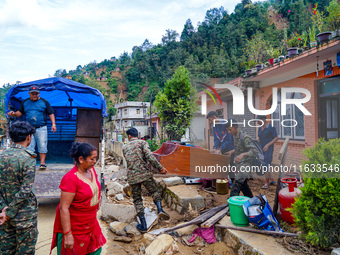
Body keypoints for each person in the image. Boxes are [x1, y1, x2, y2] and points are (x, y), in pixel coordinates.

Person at [50, 142, 106, 255]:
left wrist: (97, 199)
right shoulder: (71, 179)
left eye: (96, 158)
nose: (95, 162)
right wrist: (68, 234)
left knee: (95, 250)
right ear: (81, 159)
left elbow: (94, 188)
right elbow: (64, 208)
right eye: (92, 159)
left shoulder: (91, 170)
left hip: (90, 223)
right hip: (75, 227)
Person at [0, 121, 38, 254]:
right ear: (29, 137)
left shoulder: (1, 156)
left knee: (5, 251)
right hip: (24, 217)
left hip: (3, 216)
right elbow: (25, 191)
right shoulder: (28, 158)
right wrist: (10, 212)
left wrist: (4, 209)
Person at [123, 127, 169, 233]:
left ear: (129, 136)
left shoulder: (125, 147)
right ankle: (160, 210)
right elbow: (150, 157)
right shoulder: (142, 143)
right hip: (144, 174)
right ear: (137, 135)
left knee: (137, 199)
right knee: (154, 191)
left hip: (133, 177)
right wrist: (160, 168)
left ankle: (143, 225)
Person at [7, 85, 57, 170]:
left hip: (41, 127)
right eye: (33, 93)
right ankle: (31, 164)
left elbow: (51, 113)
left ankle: (42, 163)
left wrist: (53, 124)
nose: (35, 95)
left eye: (36, 93)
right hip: (29, 129)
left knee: (42, 145)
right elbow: (20, 112)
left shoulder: (44, 102)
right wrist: (14, 114)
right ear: (29, 93)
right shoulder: (25, 102)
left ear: (39, 93)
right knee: (30, 147)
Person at [226, 118, 257, 198]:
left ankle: (232, 203)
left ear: (235, 127)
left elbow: (254, 151)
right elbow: (240, 148)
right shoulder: (235, 136)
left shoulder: (245, 137)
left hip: (246, 164)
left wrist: (243, 154)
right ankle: (251, 200)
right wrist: (232, 152)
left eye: (230, 130)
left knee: (237, 183)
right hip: (239, 164)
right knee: (243, 185)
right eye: (228, 130)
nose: (229, 132)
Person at [205, 111, 234, 190]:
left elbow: (229, 140)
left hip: (230, 148)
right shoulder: (215, 126)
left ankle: (233, 185)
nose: (210, 122)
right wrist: (215, 148)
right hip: (222, 148)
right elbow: (216, 138)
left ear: (214, 117)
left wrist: (221, 149)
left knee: (230, 167)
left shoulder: (226, 124)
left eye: (210, 120)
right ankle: (218, 185)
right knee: (221, 167)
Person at [257, 115, 279, 189]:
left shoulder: (271, 128)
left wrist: (268, 145)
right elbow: (259, 137)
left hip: (268, 150)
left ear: (263, 119)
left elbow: (276, 138)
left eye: (258, 121)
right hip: (261, 149)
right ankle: (272, 179)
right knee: (263, 164)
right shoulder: (260, 128)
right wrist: (256, 144)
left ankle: (267, 183)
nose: (257, 123)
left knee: (266, 165)